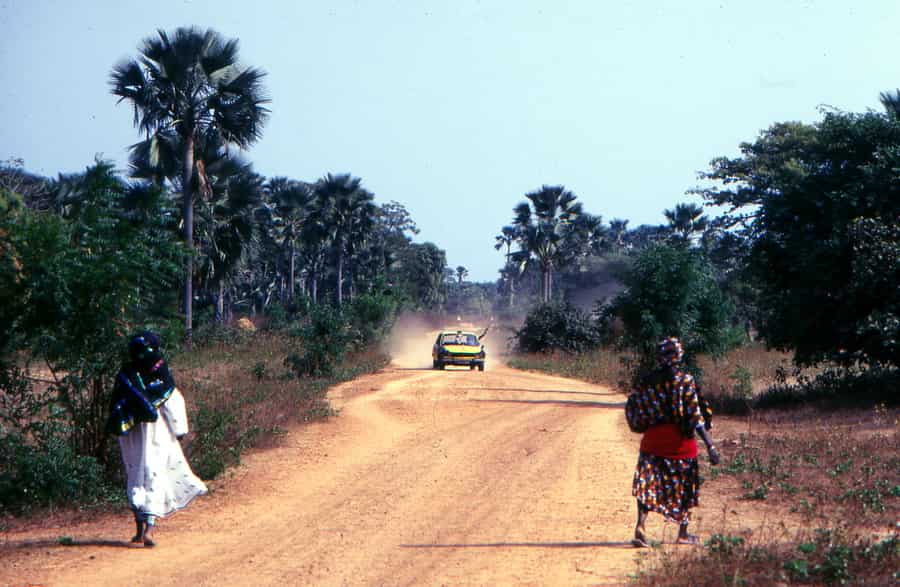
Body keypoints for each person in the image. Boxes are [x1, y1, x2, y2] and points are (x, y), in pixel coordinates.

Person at [106, 331, 207, 547]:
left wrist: (120, 431)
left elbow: (116, 407)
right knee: (153, 475)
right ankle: (149, 530)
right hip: (157, 434)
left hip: (131, 436)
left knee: (135, 475)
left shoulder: (126, 374)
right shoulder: (160, 375)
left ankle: (139, 530)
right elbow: (174, 403)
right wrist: (180, 431)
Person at [625, 337, 719, 548]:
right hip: (681, 445)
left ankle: (641, 525)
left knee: (647, 484)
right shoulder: (685, 381)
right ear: (679, 356)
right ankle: (683, 533)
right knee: (685, 487)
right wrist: (710, 445)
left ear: (659, 357)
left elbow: (636, 408)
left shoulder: (647, 381)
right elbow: (695, 416)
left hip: (653, 441)